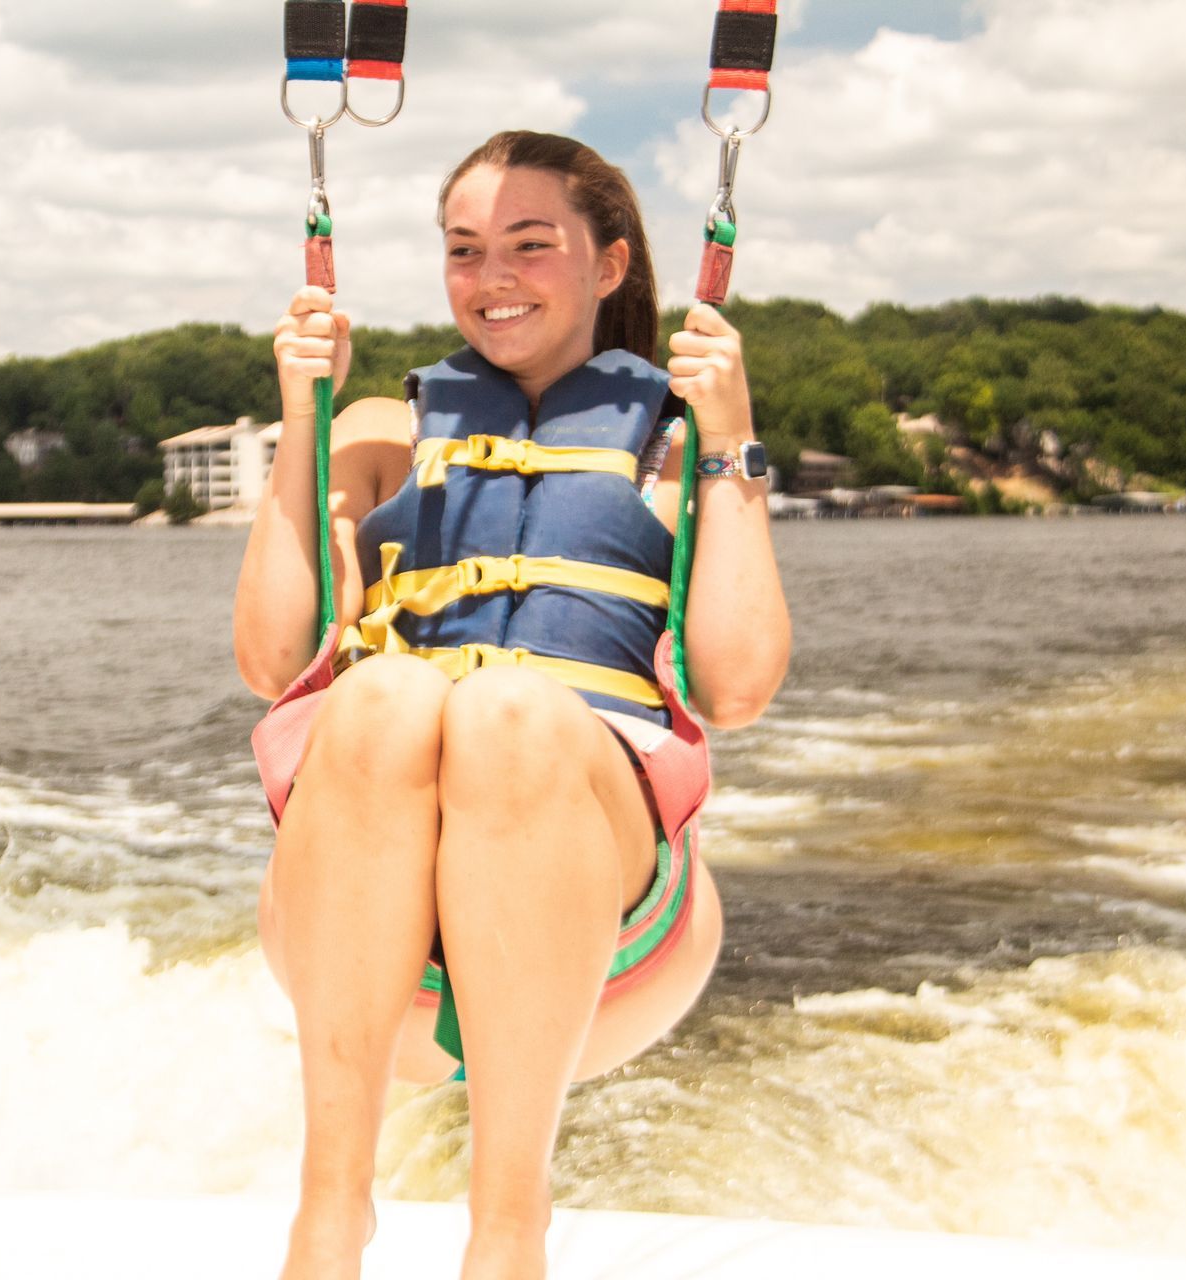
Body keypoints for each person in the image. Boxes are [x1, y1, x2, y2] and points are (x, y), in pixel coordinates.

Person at [234, 130, 791, 1280]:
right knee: (385, 693)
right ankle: (328, 1217)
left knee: (510, 713)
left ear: (609, 266)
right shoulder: (380, 434)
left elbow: (735, 684)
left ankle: (509, 1235)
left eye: (531, 247)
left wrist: (732, 440)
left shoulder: (681, 447)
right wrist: (301, 415)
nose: (493, 278)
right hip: (365, 886)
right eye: (465, 248)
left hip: (613, 899)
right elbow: (271, 652)